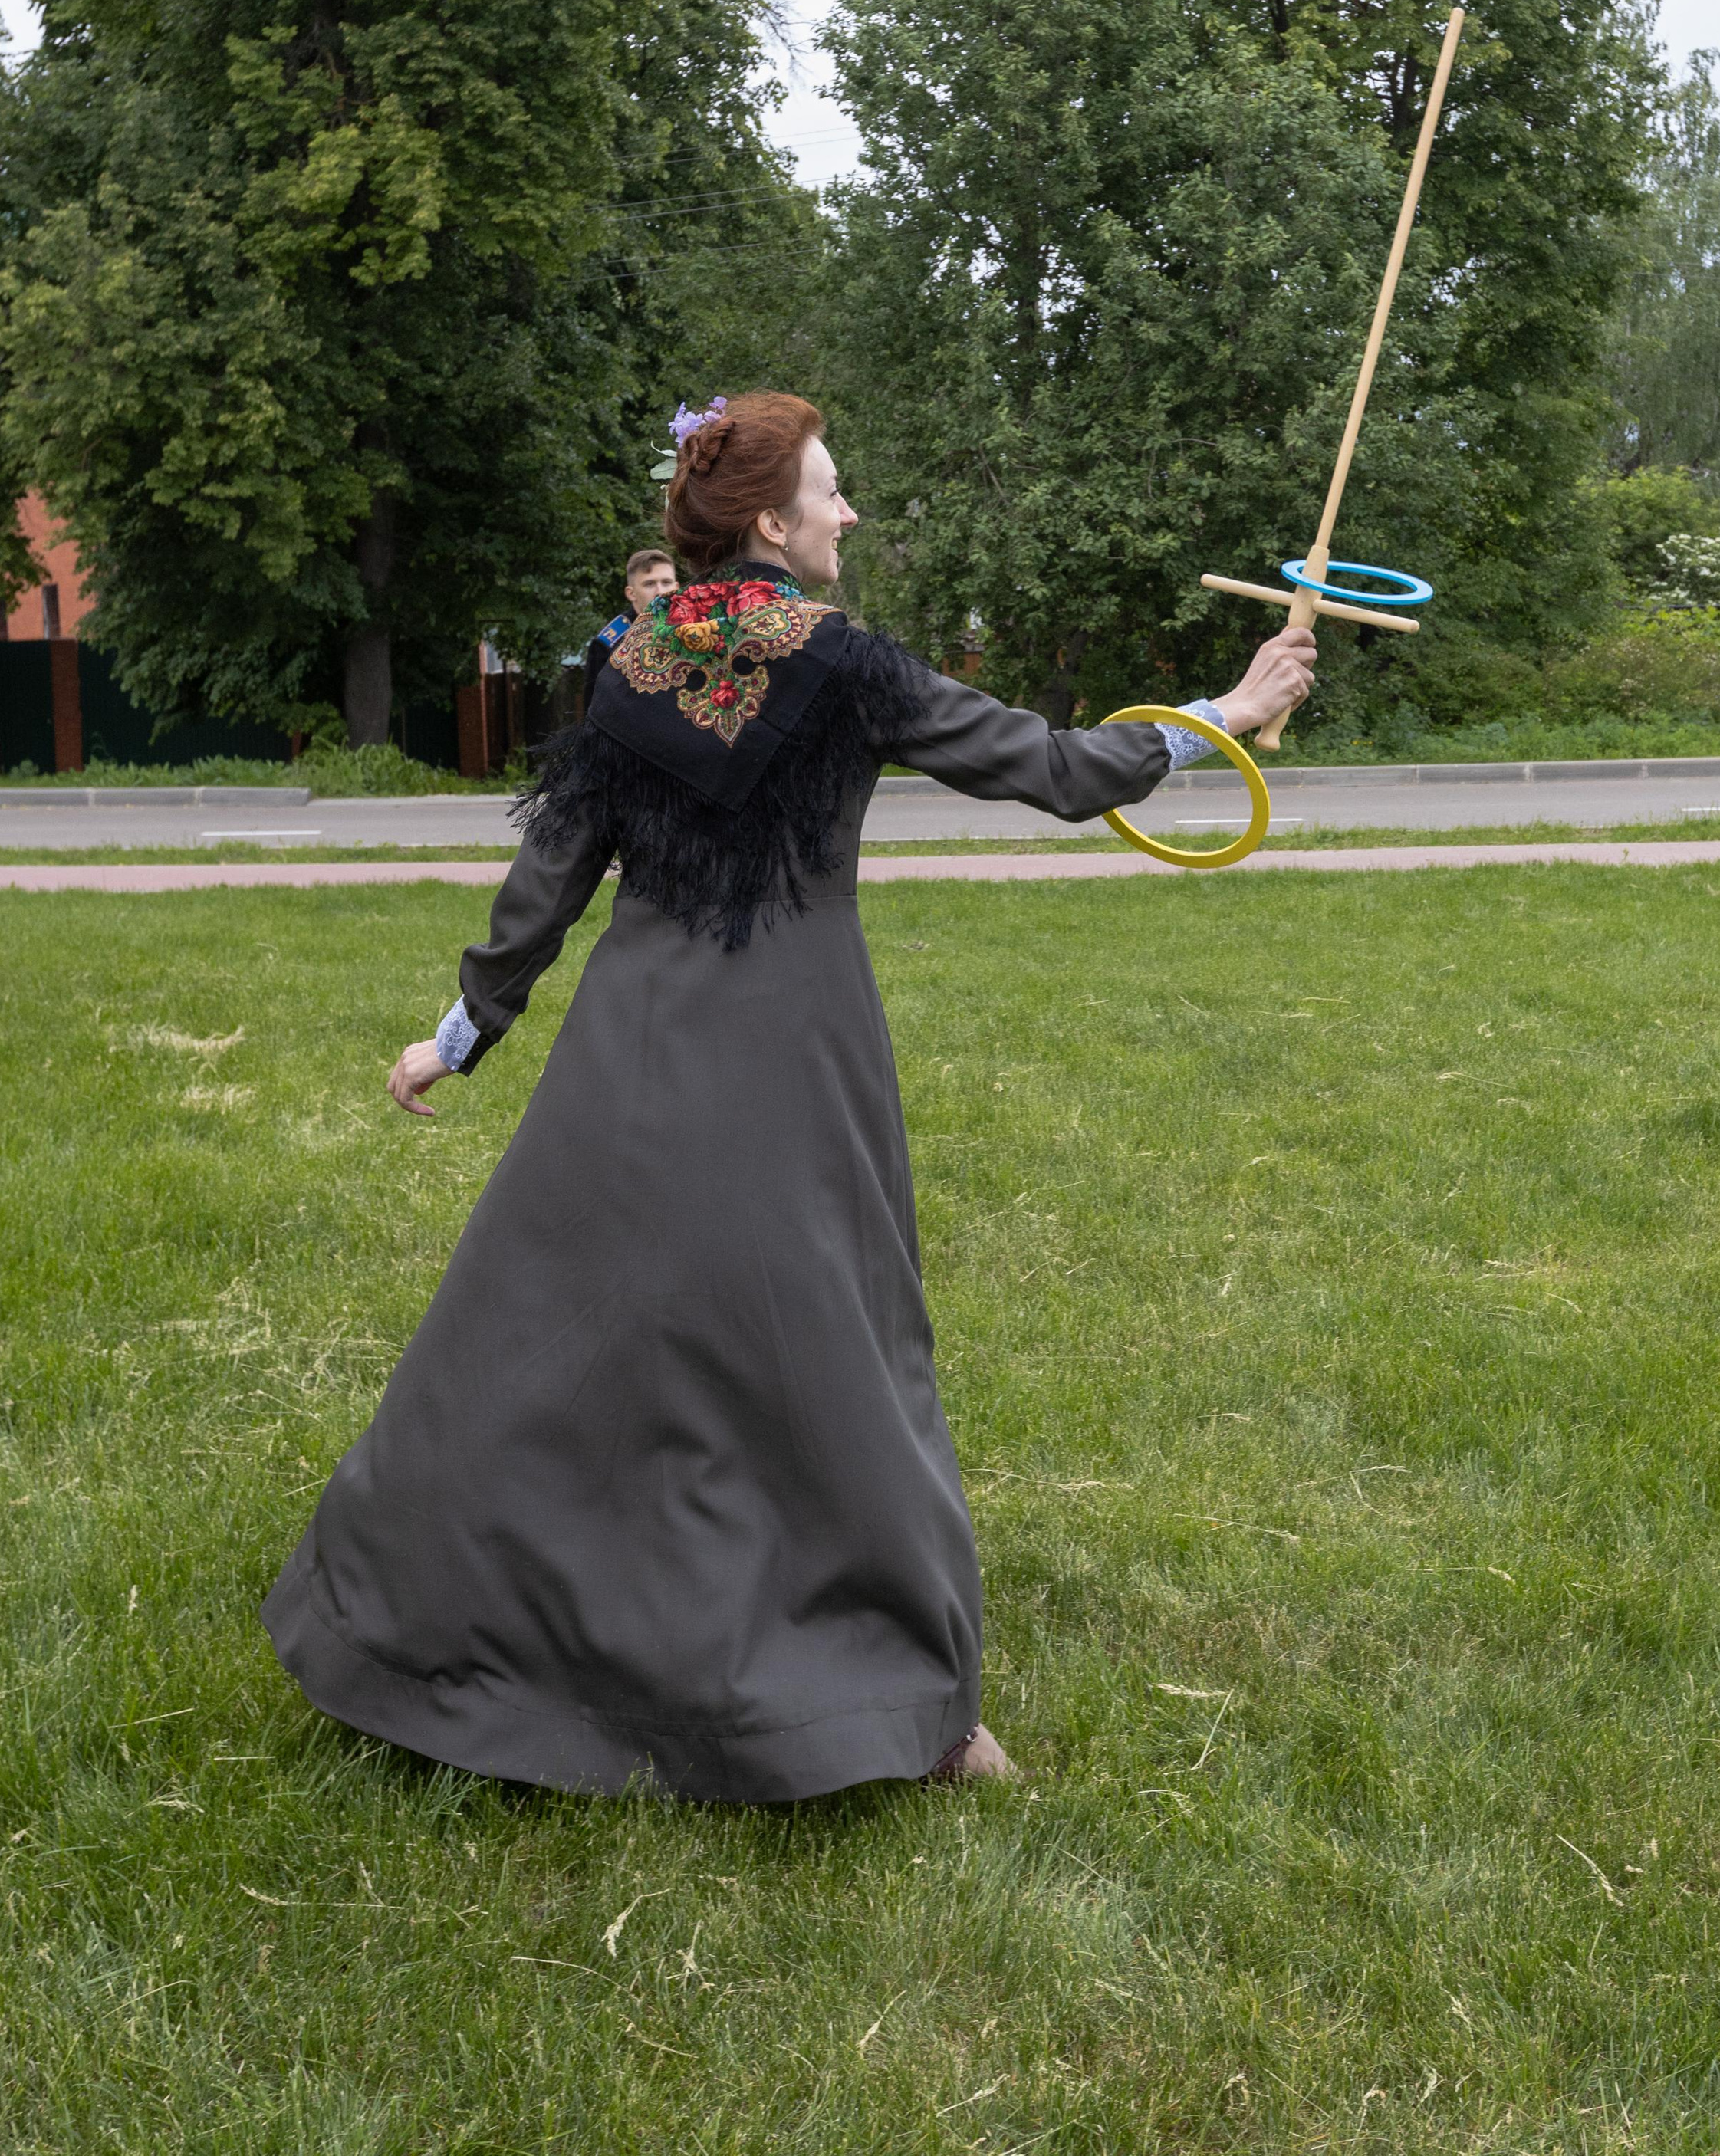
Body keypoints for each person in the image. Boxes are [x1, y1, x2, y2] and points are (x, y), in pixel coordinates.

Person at [263, 391, 1315, 1803]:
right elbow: (1056, 772)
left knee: (547, 1352)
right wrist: (1224, 717)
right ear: (770, 522)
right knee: (844, 1364)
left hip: (627, 1063)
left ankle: (442, 1645)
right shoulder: (849, 665)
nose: (849, 512)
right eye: (832, 489)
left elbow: (552, 876)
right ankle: (909, 1713)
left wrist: (460, 1033)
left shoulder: (632, 662)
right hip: (792, 1052)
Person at [583, 547, 679, 686]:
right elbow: (594, 705)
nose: (660, 592)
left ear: (676, 588)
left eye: (666, 583)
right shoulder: (609, 645)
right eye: (649, 584)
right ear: (631, 593)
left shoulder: (694, 631)